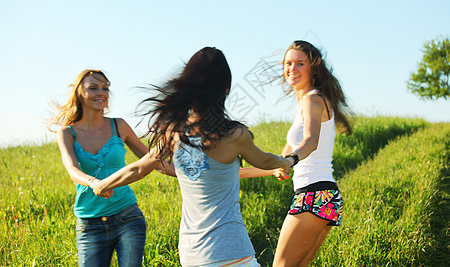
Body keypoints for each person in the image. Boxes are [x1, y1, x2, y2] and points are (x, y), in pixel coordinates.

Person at [91, 47, 292, 267]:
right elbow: (265, 161)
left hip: (193, 255)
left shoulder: (174, 133)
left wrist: (103, 184)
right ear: (225, 88)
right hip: (232, 253)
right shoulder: (235, 135)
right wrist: (286, 161)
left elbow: (139, 167)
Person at [241, 40, 352, 266]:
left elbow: (311, 140)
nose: (292, 69)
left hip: (314, 195)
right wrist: (227, 173)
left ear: (313, 68)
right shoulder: (305, 103)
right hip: (323, 196)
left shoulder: (313, 99)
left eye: (300, 63)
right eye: (288, 63)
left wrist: (292, 160)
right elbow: (275, 166)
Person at [48, 69, 151, 267]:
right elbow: (72, 170)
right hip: (89, 223)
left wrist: (189, 173)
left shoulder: (119, 125)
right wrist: (94, 182)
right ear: (80, 93)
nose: (101, 93)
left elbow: (152, 160)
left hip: (127, 216)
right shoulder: (67, 133)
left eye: (105, 88)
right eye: (93, 88)